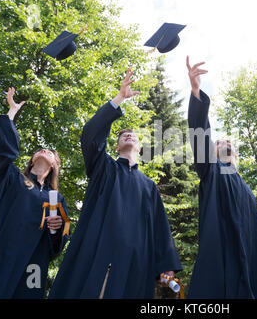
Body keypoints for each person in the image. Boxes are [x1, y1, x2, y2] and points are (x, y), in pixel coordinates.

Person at [49, 69, 182, 299]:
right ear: (117, 147)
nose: (128, 136)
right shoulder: (104, 168)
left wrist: (165, 265)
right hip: (95, 255)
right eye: (122, 136)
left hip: (132, 265)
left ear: (140, 148)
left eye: (133, 136)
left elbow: (161, 228)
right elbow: (90, 134)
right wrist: (119, 98)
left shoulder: (148, 186)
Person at [186, 57, 257, 298]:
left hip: (253, 264)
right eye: (219, 141)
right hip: (223, 256)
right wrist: (196, 91)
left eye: (229, 141)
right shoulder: (211, 172)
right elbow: (200, 136)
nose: (225, 142)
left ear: (237, 152)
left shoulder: (247, 189)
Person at [0, 87, 69, 298]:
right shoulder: (11, 177)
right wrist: (11, 113)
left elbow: (60, 239)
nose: (44, 150)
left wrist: (56, 229)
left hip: (30, 263)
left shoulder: (56, 198)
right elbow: (3, 151)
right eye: (40, 148)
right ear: (31, 159)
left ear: (55, 166)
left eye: (51, 153)